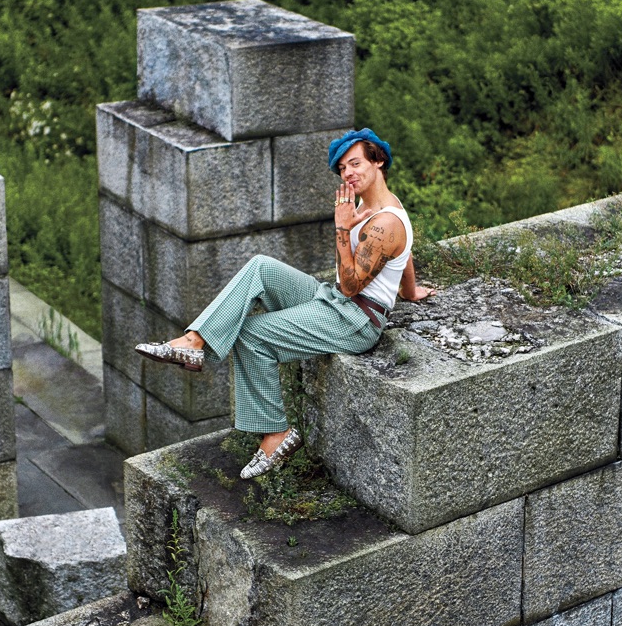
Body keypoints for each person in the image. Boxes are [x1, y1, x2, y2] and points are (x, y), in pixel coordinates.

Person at [135, 128, 434, 479]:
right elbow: (405, 255)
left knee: (251, 334)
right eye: (341, 169)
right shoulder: (376, 206)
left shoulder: (383, 222)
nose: (347, 173)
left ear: (379, 161)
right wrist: (410, 291)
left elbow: (353, 286)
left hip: (355, 317)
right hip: (332, 298)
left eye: (355, 163)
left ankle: (277, 433)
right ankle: (194, 342)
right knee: (261, 267)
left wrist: (340, 229)